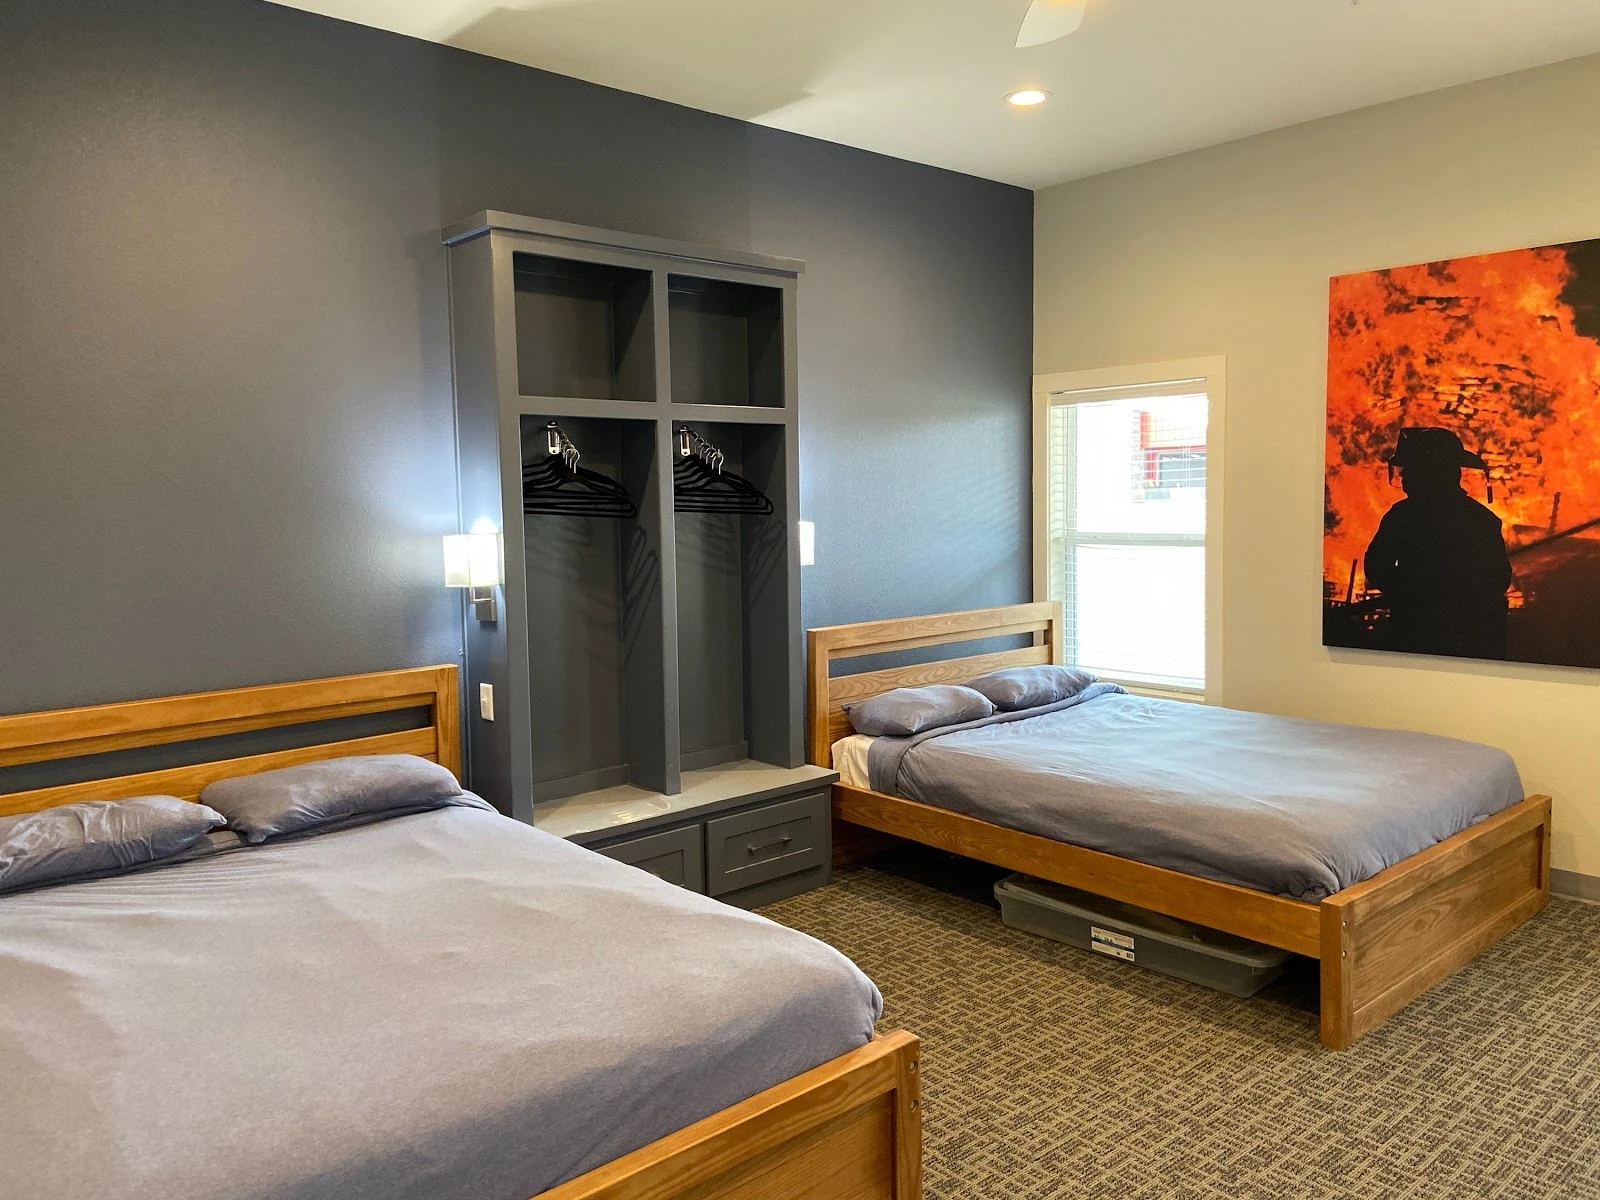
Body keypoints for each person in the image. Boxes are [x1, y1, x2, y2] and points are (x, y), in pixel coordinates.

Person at [1363, 427, 1511, 660]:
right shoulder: (1482, 519)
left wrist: (1411, 593)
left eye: (1410, 470)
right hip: (1471, 640)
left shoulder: (1404, 517)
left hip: (1418, 635)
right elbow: (1499, 578)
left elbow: (1376, 567)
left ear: (1431, 473)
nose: (1404, 477)